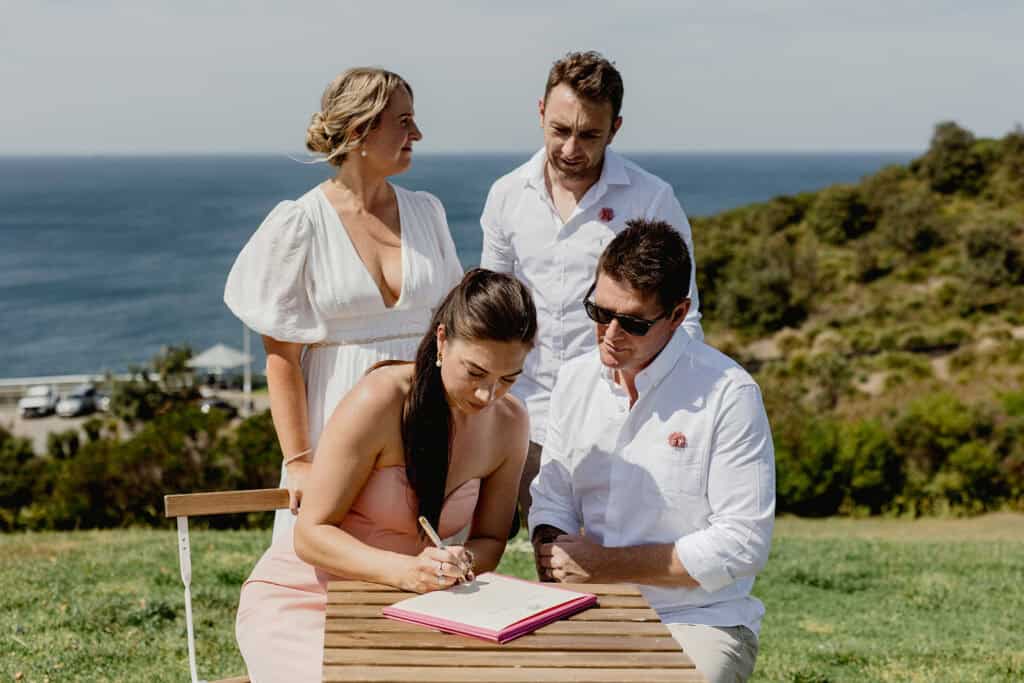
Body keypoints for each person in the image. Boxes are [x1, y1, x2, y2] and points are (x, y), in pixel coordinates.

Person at [236, 269, 536, 683]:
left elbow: (490, 539)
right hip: (306, 602)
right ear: (443, 341)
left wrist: (459, 561)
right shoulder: (380, 399)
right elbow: (310, 533)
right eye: (475, 373)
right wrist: (405, 571)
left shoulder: (510, 422)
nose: (489, 395)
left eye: (508, 379)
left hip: (413, 608)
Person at [528, 220, 775, 683]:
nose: (610, 333)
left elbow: (743, 544)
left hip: (699, 619)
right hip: (585, 607)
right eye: (599, 312)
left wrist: (605, 565)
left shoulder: (730, 393)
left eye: (633, 322)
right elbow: (552, 495)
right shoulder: (575, 379)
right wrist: (549, 545)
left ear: (679, 314)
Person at [224, 68, 463, 541]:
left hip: (425, 411)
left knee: (429, 565)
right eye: (404, 120)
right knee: (334, 564)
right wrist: (299, 462)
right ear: (360, 131)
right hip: (334, 415)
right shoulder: (299, 224)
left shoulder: (428, 212)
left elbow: (455, 329)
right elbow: (283, 358)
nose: (416, 133)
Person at [480, 51, 703, 525]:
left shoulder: (653, 198)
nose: (570, 149)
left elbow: (687, 319)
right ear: (540, 111)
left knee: (613, 562)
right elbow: (491, 313)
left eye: (589, 135)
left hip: (620, 417)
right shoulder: (505, 195)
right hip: (527, 416)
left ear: (616, 128)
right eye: (560, 130)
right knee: (546, 556)